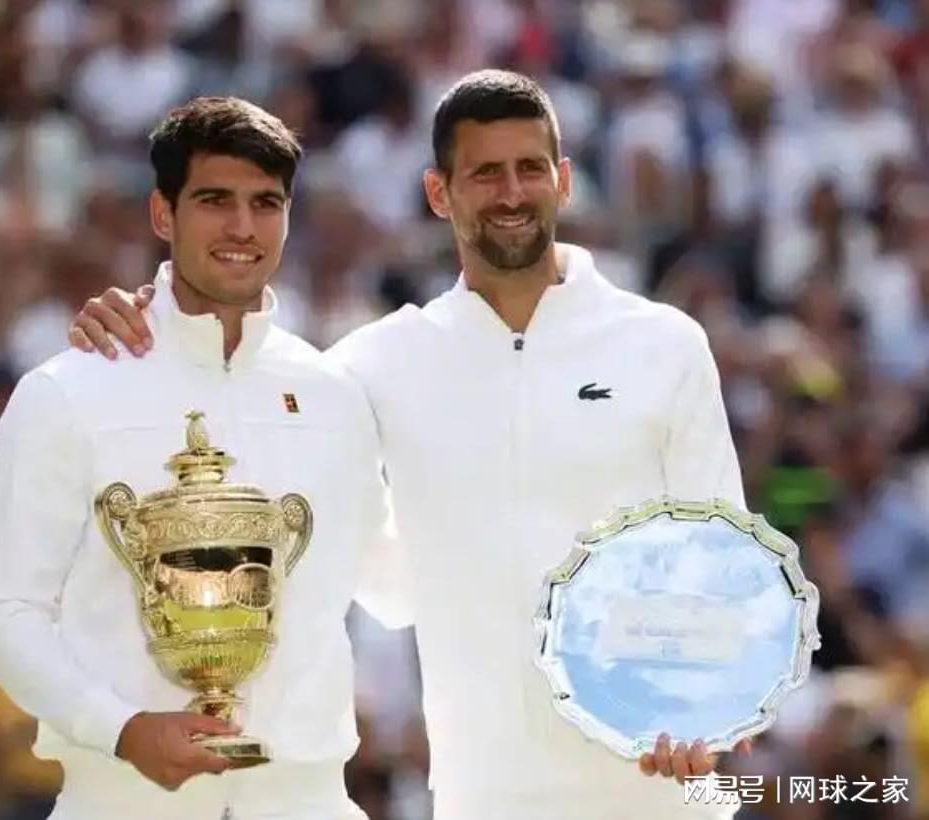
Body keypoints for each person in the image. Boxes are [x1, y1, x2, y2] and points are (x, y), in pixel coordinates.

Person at [68, 71, 751, 819]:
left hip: (663, 789)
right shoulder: (373, 365)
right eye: (484, 173)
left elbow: (725, 556)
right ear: (438, 193)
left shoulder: (665, 344)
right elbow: (240, 388)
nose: (511, 193)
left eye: (529, 169)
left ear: (562, 180)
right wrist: (151, 319)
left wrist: (715, 706)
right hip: (483, 797)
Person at [0, 97, 403, 820]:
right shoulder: (67, 389)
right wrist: (123, 730)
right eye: (214, 200)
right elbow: (1, 614)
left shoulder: (335, 395)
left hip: (306, 801)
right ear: (162, 214)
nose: (242, 228)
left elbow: (397, 586)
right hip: (121, 803)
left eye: (266, 203)